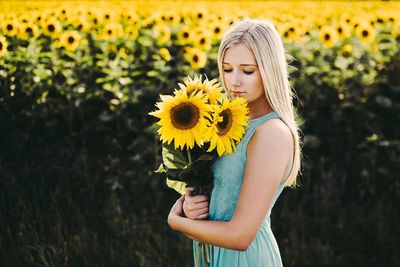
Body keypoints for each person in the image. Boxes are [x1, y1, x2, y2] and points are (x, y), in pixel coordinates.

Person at [167, 19, 302, 267]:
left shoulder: (271, 133)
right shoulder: (227, 123)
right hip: (215, 255)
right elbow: (221, 191)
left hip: (245, 259)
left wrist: (176, 221)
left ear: (269, 70)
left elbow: (241, 236)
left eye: (247, 71)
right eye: (227, 69)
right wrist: (188, 204)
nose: (234, 81)